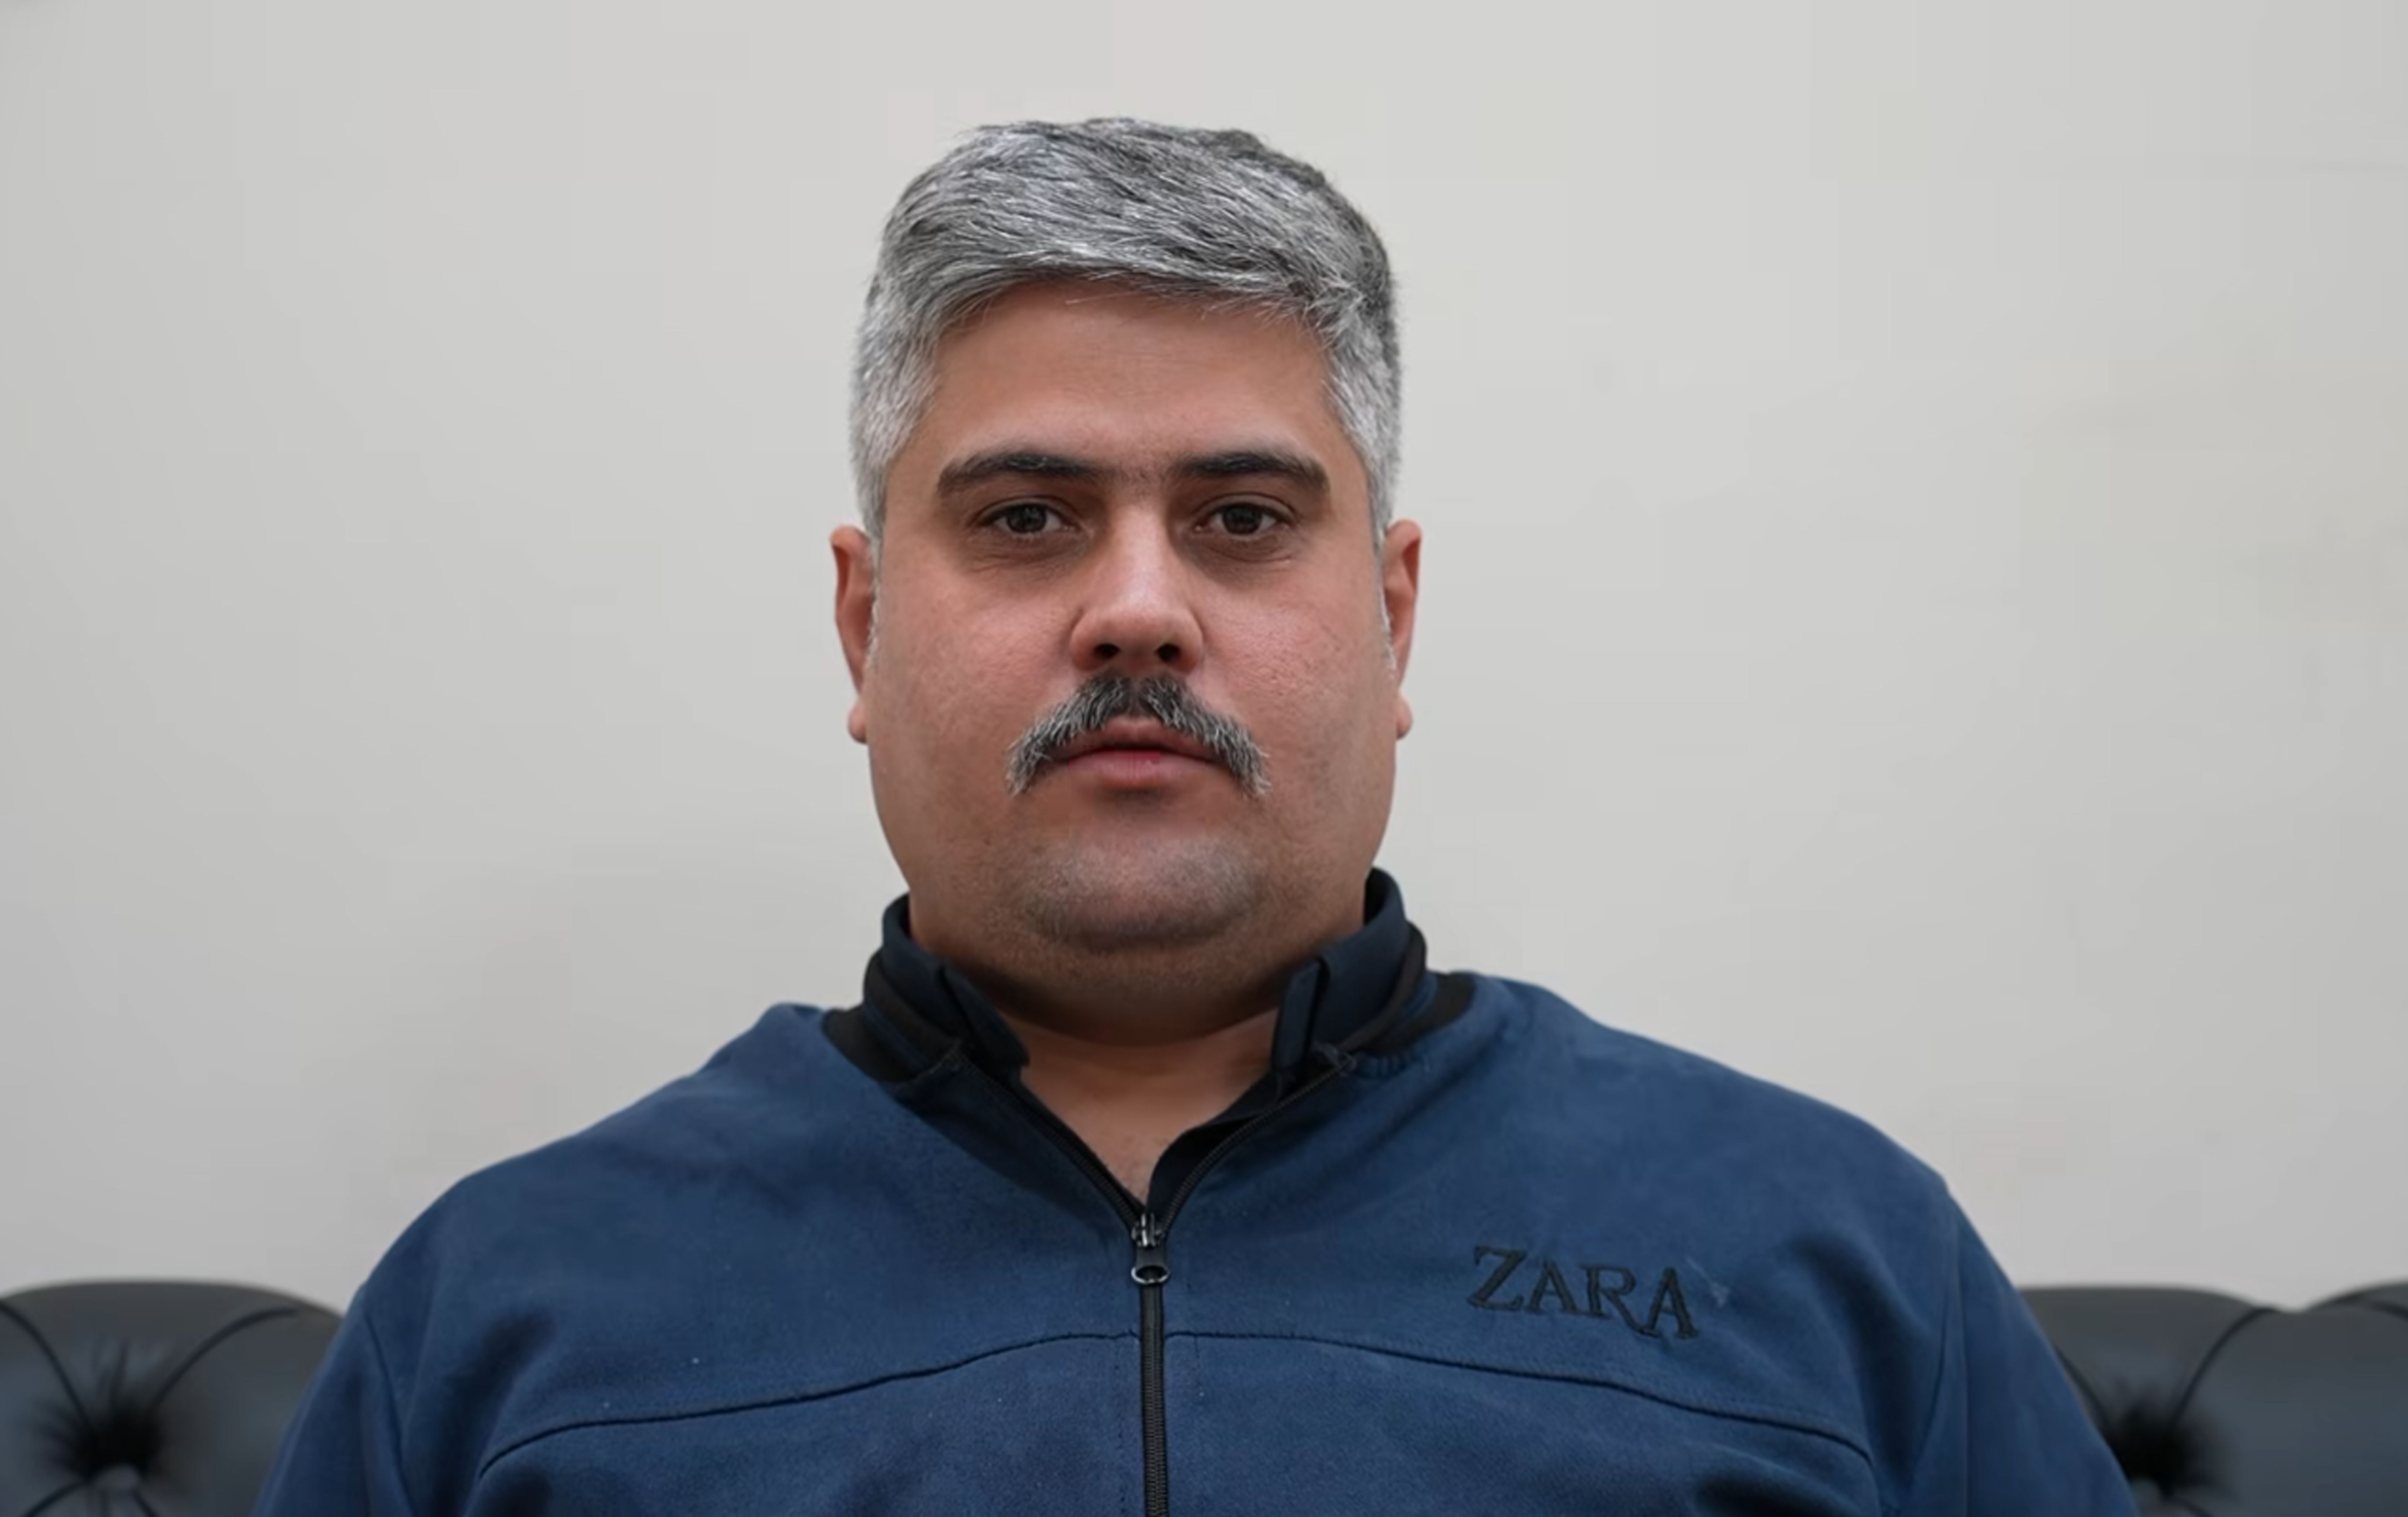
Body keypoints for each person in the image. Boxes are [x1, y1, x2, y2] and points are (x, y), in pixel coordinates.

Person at [255, 119, 2136, 1515]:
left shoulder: (1827, 1254)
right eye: (1026, 518)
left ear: (1393, 618)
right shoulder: (503, 1312)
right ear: (862, 624)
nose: (1138, 609)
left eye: (1242, 518)